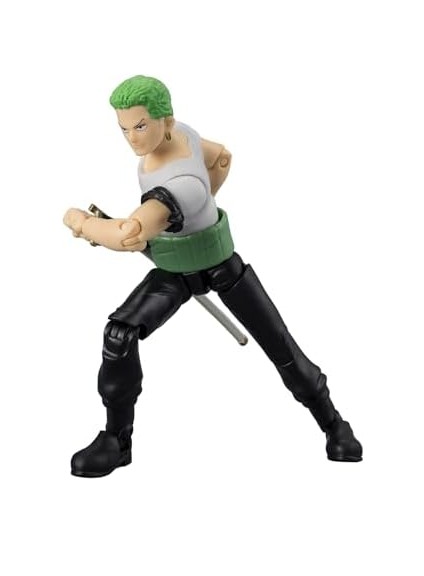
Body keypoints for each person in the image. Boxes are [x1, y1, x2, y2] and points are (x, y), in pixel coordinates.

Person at [64, 75, 362, 477]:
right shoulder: (183, 135)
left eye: (141, 126)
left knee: (281, 347)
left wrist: (83, 223)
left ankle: (334, 424)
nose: (132, 138)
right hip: (174, 268)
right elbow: (221, 158)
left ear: (165, 120)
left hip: (221, 266)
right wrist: (196, 215)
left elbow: (128, 235)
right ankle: (117, 441)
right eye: (124, 128)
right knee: (119, 335)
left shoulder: (179, 186)